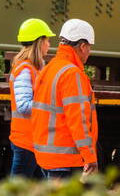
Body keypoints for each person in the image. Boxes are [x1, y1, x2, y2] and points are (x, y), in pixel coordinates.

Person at [31, 19, 99, 180]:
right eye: (89, 47)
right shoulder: (72, 74)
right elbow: (78, 121)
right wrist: (89, 156)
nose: (89, 52)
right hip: (65, 159)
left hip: (46, 157)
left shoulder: (49, 68)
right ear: (82, 46)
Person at [8, 18, 55, 179]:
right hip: (25, 142)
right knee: (16, 193)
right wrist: (50, 104)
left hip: (33, 142)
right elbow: (23, 105)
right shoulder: (25, 70)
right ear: (39, 42)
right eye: (47, 40)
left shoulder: (33, 68)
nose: (49, 44)